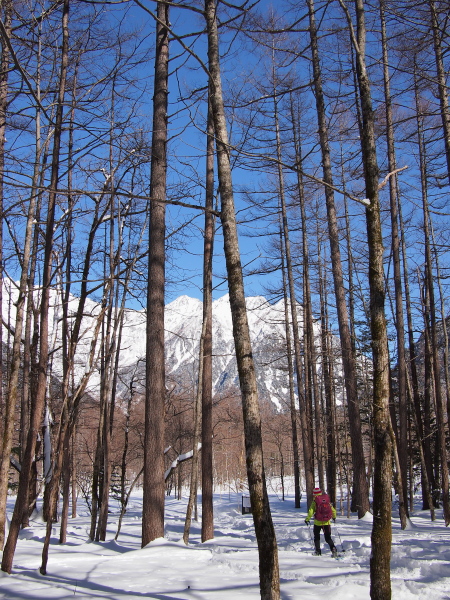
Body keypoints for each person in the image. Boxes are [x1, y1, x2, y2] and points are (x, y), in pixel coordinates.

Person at [304, 487, 338, 556]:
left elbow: (311, 511)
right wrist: (334, 517)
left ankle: (318, 551)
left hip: (317, 522)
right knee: (328, 537)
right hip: (327, 522)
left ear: (314, 494)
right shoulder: (326, 500)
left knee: (317, 537)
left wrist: (307, 519)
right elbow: (333, 510)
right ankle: (333, 549)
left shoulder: (315, 501)